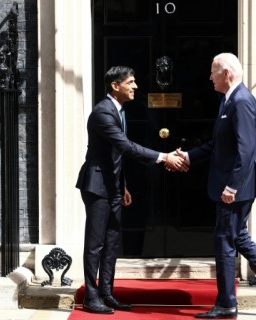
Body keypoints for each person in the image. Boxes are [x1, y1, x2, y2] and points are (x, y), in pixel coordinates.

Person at [172, 53, 256, 319]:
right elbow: (220, 146)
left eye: (213, 72)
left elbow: (246, 150)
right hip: (234, 184)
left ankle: (227, 303)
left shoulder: (240, 102)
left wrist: (232, 187)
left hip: (235, 187)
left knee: (225, 241)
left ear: (226, 73)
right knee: (237, 236)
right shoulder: (229, 101)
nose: (210, 77)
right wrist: (190, 156)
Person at [76, 66, 187, 314]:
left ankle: (106, 292)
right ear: (116, 86)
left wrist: (122, 184)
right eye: (131, 82)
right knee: (95, 243)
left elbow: (115, 154)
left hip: (113, 185)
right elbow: (125, 146)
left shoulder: (119, 110)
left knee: (113, 241)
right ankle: (90, 297)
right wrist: (163, 157)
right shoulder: (102, 113)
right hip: (96, 185)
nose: (135, 86)